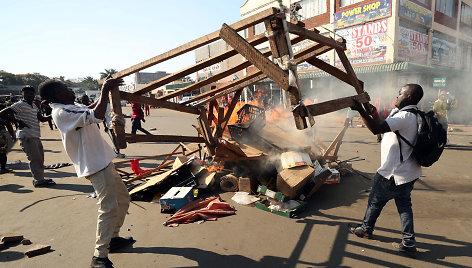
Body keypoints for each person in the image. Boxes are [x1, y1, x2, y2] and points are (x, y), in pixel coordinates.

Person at [39, 78, 134, 268]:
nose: (69, 89)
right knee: (108, 208)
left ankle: (113, 238)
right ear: (57, 94)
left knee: (123, 199)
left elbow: (89, 109)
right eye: (65, 88)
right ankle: (99, 256)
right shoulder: (61, 112)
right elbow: (96, 115)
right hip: (95, 165)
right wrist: (105, 89)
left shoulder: (70, 106)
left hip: (103, 160)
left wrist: (104, 94)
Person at [348, 84, 424, 257]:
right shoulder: (409, 114)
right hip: (408, 172)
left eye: (400, 94)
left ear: (409, 98)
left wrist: (360, 110)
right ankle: (408, 242)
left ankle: (366, 229)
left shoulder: (405, 115)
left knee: (375, 201)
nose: (397, 96)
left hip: (393, 172)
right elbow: (383, 122)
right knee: (404, 207)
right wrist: (374, 113)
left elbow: (376, 128)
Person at [0, 86, 56, 187]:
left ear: (34, 94)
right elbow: (2, 114)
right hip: (26, 135)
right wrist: (18, 121)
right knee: (35, 159)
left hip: (35, 135)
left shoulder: (34, 105)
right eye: (26, 94)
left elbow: (42, 119)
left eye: (31, 93)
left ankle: (40, 178)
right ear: (23, 94)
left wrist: (55, 114)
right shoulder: (19, 105)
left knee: (40, 158)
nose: (29, 95)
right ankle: (39, 181)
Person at [0, 103, 15, 174]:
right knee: (2, 153)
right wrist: (12, 135)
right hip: (1, 137)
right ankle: (2, 168)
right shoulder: (2, 116)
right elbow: (8, 125)